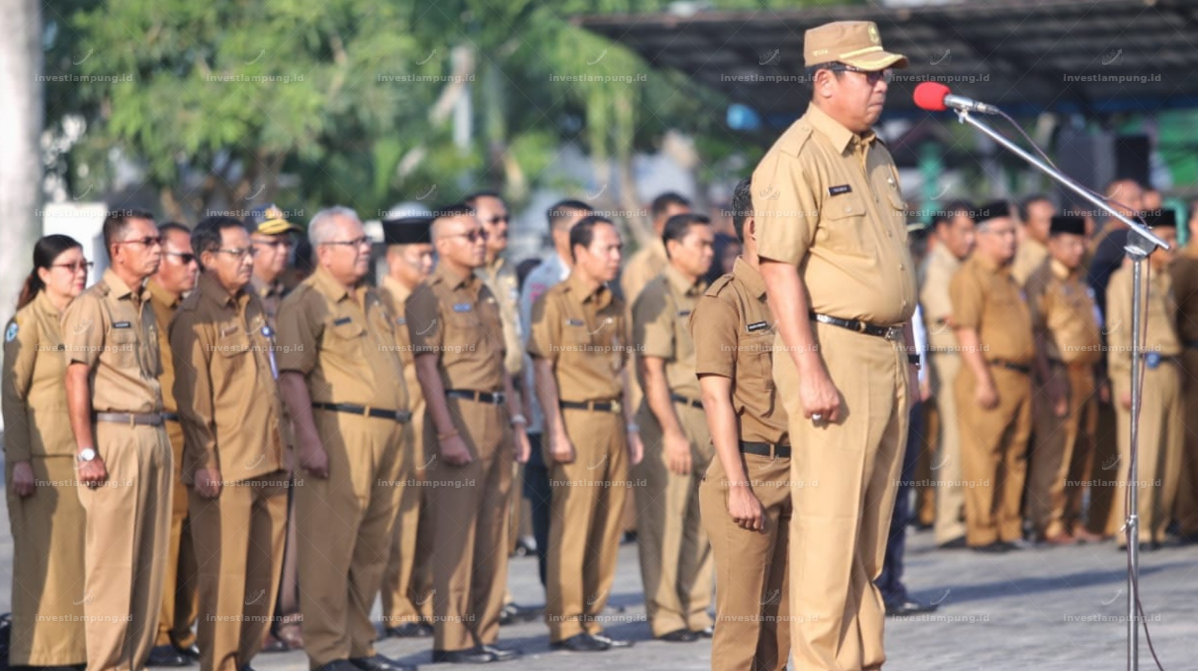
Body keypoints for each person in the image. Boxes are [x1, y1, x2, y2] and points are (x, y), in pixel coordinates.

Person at [752, 20, 917, 671]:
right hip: (832, 352)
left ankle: (861, 659)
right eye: (868, 73)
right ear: (825, 81)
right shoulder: (795, 158)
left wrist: (909, 350)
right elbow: (778, 268)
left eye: (884, 74)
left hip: (885, 353)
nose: (881, 85)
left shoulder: (877, 152)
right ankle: (823, 663)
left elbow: (889, 263)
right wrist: (811, 368)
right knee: (827, 531)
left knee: (868, 533)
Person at [275, 206, 415, 671]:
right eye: (354, 243)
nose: (365, 249)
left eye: (364, 241)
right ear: (325, 253)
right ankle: (328, 651)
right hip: (340, 431)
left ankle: (360, 646)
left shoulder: (373, 299)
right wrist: (309, 440)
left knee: (371, 548)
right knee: (330, 547)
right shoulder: (306, 302)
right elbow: (293, 377)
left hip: (389, 431)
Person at [406, 203, 531, 665]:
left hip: (497, 414)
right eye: (470, 235)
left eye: (482, 234)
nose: (482, 240)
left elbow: (501, 365)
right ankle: (452, 640)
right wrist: (446, 432)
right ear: (442, 245)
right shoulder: (428, 296)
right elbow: (426, 369)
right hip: (458, 414)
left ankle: (484, 630)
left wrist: (517, 421)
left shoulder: (486, 292)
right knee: (456, 534)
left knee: (495, 531)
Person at [170, 216, 289, 671]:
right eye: (237, 252)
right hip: (228, 468)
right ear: (207, 258)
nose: (248, 260)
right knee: (226, 578)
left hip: (271, 459)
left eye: (249, 252)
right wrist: (204, 461)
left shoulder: (253, 304)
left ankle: (244, 660)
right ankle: (219, 663)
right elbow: (192, 400)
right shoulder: (194, 316)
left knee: (262, 579)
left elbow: (270, 382)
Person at [62, 208, 174, 671]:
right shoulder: (95, 304)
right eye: (147, 242)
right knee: (112, 566)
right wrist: (87, 451)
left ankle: (133, 662)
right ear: (117, 249)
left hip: (152, 434)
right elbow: (75, 379)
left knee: (148, 563)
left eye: (157, 241)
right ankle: (106, 665)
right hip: (113, 437)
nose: (157, 249)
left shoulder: (144, 305)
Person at [691, 178, 791, 669]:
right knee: (742, 626)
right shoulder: (723, 302)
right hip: (749, 473)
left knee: (785, 622)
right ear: (754, 227)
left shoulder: (796, 295)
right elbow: (716, 398)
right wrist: (737, 485)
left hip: (800, 474)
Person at [529, 214, 642, 652]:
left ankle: (591, 621)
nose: (616, 256)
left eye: (619, 248)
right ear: (579, 252)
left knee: (608, 524)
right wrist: (554, 430)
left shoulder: (616, 305)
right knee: (572, 526)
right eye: (607, 248)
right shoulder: (553, 302)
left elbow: (624, 368)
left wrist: (631, 426)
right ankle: (566, 624)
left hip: (612, 419)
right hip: (574, 422)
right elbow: (543, 369)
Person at [2, 235, 90, 669]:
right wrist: (19, 459)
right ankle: (36, 657)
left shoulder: (83, 317)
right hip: (40, 463)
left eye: (84, 265)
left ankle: (76, 654)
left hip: (82, 461)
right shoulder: (28, 321)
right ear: (43, 274)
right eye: (69, 267)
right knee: (44, 568)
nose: (80, 273)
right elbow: (11, 396)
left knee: (77, 567)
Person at [631, 212, 715, 642]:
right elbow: (651, 371)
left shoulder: (710, 293)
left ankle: (697, 609)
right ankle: (666, 615)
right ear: (673, 248)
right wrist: (673, 433)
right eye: (700, 244)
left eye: (710, 244)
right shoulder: (656, 295)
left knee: (704, 520)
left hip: (709, 414)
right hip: (672, 415)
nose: (709, 251)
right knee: (665, 520)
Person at [517, 199, 595, 588]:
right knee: (552, 510)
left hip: (592, 416)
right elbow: (535, 357)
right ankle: (558, 596)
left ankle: (583, 597)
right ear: (560, 235)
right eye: (584, 226)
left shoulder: (597, 278)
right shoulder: (542, 282)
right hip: (550, 415)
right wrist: (547, 419)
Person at [950, 201, 1035, 553]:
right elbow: (965, 332)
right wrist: (983, 380)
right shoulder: (970, 277)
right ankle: (983, 531)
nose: (1011, 240)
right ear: (982, 237)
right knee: (983, 456)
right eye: (1002, 233)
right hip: (988, 374)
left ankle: (1008, 526)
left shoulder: (1010, 277)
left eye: (1013, 232)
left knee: (1015, 454)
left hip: (1020, 377)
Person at [245, 203, 306, 652]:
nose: (283, 251)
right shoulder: (239, 298)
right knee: (257, 529)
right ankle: (254, 621)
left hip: (295, 424)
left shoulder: (297, 296)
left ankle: (291, 616)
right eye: (273, 243)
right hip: (252, 429)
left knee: (296, 526)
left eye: (288, 242)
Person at [1024, 215, 1104, 545]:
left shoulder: (1079, 277)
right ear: (1053, 243)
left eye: (1083, 242)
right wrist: (1048, 379)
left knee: (1083, 447)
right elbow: (1037, 333)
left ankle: (1072, 518)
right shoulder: (1041, 279)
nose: (1080, 248)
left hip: (1086, 373)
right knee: (1056, 449)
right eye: (1072, 243)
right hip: (1057, 372)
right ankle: (1048, 522)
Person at [1106, 210, 1182, 550]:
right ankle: (1132, 530)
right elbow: (1118, 334)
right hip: (1141, 371)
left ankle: (1155, 526)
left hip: (1169, 367)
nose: (1173, 245)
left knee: (1169, 456)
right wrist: (1123, 380)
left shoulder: (1164, 279)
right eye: (1166, 236)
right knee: (1142, 456)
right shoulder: (1127, 279)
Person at [377, 212, 437, 638]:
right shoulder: (381, 302)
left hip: (436, 426)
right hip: (404, 428)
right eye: (421, 256)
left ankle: (427, 602)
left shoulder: (430, 300)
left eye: (432, 255)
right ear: (395, 258)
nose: (429, 263)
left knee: (433, 523)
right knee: (404, 522)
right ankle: (398, 609)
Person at [877, 224, 939, 618]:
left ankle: (892, 584)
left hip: (909, 389)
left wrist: (919, 372)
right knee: (879, 497)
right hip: (883, 389)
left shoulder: (907, 278)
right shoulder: (877, 280)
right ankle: (876, 586)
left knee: (900, 494)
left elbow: (915, 332)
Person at [147, 221, 201, 668]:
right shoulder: (148, 308)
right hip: (166, 429)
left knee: (193, 538)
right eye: (185, 258)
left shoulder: (189, 309)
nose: (194, 266)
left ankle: (182, 630)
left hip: (195, 432)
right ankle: (161, 633)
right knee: (167, 534)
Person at [920, 202, 976, 549]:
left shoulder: (961, 264)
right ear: (942, 231)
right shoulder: (934, 266)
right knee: (953, 440)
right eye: (963, 231)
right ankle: (948, 522)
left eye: (973, 231)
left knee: (969, 440)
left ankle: (967, 514)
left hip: (969, 356)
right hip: (949, 358)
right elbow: (952, 317)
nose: (970, 239)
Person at [1171, 202, 1198, 539]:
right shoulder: (1185, 265)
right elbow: (1169, 314)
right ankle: (1189, 518)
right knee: (1191, 439)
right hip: (1192, 357)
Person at [620, 192, 693, 305]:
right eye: (680, 223)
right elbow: (644, 314)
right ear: (658, 225)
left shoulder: (692, 258)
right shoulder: (643, 265)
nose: (688, 229)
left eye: (690, 222)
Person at [1011, 195, 1055, 286]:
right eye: (1044, 221)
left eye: (1054, 218)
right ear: (1026, 226)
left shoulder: (1051, 249)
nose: (1052, 225)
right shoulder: (1031, 257)